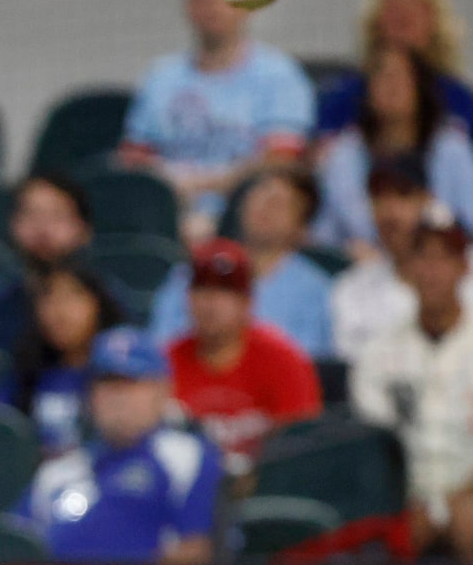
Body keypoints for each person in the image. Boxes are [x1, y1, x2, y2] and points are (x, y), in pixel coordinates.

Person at [120, 0, 314, 242]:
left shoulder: (279, 76)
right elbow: (133, 160)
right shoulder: (160, 77)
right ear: (188, 5)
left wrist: (204, 186)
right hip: (167, 225)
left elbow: (283, 162)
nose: (213, 8)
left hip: (248, 227)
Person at [24, 327, 216, 565]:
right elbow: (21, 546)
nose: (118, 397)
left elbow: (196, 550)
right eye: (107, 383)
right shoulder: (56, 472)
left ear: (162, 391)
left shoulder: (186, 457)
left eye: (131, 383)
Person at [351, 207, 473, 563]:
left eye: (444, 258)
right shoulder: (378, 351)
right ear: (408, 268)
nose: (432, 271)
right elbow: (372, 448)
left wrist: (459, 501)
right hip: (402, 501)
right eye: (423, 257)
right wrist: (412, 503)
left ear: (463, 266)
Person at [165, 239, 320, 472]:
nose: (211, 303)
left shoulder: (284, 360)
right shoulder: (167, 362)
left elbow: (303, 448)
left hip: (268, 490)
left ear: (247, 302)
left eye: (225, 291)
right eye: (201, 289)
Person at [149, 167, 332, 360]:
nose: (265, 207)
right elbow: (161, 346)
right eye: (259, 195)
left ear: (301, 228)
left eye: (280, 204)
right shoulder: (195, 270)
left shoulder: (313, 289)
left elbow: (309, 363)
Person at [314, 45, 473, 254]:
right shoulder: (343, 152)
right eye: (382, 78)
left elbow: (468, 218)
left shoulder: (452, 147)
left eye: (400, 78)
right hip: (364, 265)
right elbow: (326, 232)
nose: (391, 87)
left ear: (420, 87)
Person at [331, 153, 473, 366]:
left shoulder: (465, 268)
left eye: (402, 194)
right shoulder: (352, 289)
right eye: (379, 196)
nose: (390, 211)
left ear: (427, 200)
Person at [316, 0, 473, 140]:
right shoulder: (346, 95)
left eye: (415, 10)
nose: (403, 19)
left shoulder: (457, 100)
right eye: (394, 10)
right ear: (375, 22)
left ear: (435, 24)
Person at [0, 260, 123, 454]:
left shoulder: (124, 373)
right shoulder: (24, 372)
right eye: (48, 297)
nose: (60, 311)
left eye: (74, 295)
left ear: (98, 303)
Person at [0, 170, 96, 355]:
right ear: (12, 225)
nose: (43, 229)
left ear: (84, 229)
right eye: (31, 215)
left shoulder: (109, 303)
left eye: (57, 216)